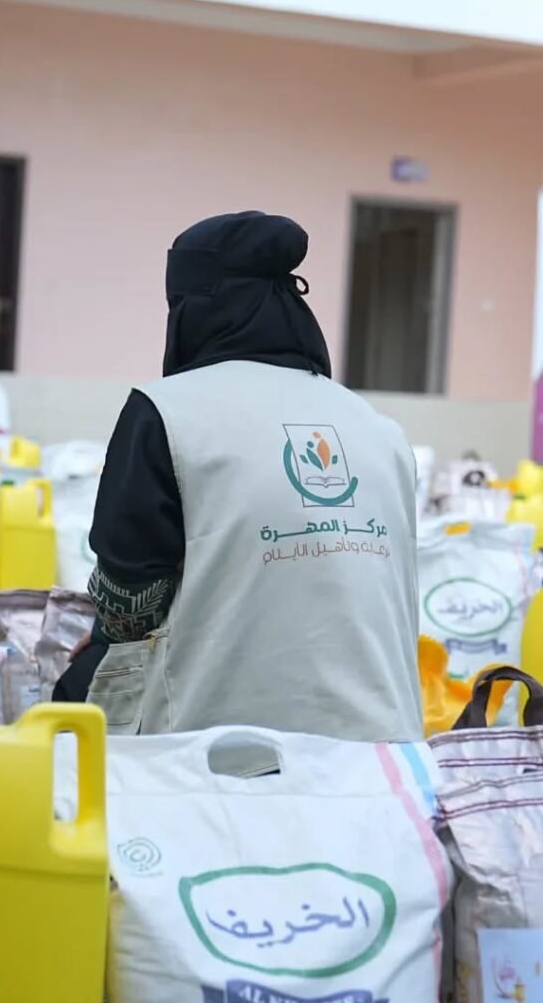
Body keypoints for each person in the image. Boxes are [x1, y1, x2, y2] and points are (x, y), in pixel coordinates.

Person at [55, 211, 422, 771]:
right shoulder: (378, 428)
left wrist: (100, 636)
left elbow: (130, 601)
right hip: (384, 752)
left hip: (221, 753)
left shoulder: (167, 412)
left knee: (73, 691)